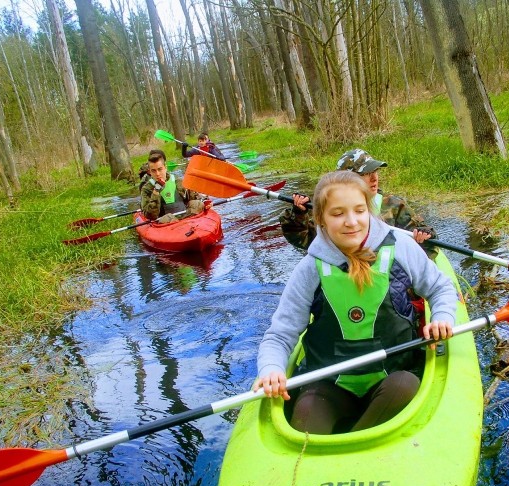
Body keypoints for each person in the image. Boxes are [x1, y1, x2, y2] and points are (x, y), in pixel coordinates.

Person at [254, 170, 457, 435]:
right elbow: (280, 335)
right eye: (338, 214)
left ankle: (355, 441)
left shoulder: (402, 248)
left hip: (394, 376)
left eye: (359, 211)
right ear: (321, 220)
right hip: (329, 383)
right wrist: (271, 369)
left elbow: (441, 288)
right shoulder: (310, 269)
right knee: (304, 419)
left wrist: (442, 317)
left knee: (404, 386)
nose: (351, 222)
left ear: (369, 211)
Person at [279, 148, 436, 253]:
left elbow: (426, 236)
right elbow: (303, 240)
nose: (374, 178)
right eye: (366, 174)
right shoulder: (331, 211)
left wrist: (425, 235)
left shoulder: (394, 205)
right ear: (346, 180)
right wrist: (299, 214)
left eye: (376, 171)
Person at [139, 149, 204, 222]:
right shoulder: (146, 188)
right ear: (149, 171)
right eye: (153, 171)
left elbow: (192, 196)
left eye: (160, 169)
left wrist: (204, 201)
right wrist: (156, 191)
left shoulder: (177, 180)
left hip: (184, 217)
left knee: (198, 204)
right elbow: (150, 215)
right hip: (164, 221)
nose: (157, 174)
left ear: (165, 167)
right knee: (168, 218)